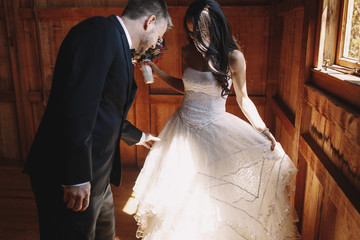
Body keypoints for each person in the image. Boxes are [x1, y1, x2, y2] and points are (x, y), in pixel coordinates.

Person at [132, 0, 301, 239]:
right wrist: (158, 73)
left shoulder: (234, 58)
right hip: (182, 129)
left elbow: (243, 99)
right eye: (190, 33)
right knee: (180, 198)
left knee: (216, 198)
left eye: (198, 33)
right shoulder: (187, 51)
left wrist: (262, 129)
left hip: (215, 130)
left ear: (216, 28)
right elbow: (189, 87)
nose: (194, 39)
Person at [23, 0, 172, 239]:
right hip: (70, 176)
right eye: (159, 36)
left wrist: (140, 137)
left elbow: (104, 110)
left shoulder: (116, 43)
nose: (156, 44)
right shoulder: (100, 33)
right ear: (150, 22)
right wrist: (76, 177)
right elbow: (78, 106)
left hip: (97, 179)